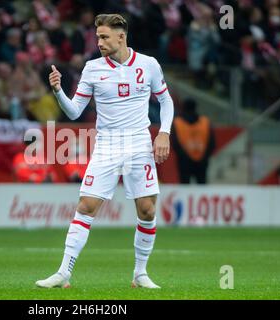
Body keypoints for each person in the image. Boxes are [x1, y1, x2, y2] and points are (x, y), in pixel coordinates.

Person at [36, 14, 174, 289]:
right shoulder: (92, 68)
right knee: (86, 205)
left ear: (121, 36)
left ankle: (140, 273)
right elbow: (74, 112)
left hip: (138, 143)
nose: (99, 42)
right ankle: (64, 272)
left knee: (147, 210)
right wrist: (58, 91)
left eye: (104, 37)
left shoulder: (148, 65)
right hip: (107, 144)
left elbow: (165, 100)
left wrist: (164, 132)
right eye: (98, 36)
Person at [171, 98, 215, 184]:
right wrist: (205, 157)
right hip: (202, 161)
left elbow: (175, 143)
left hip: (183, 162)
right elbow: (212, 143)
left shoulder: (177, 122)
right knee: (202, 186)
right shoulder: (205, 122)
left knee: (185, 187)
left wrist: (184, 157)